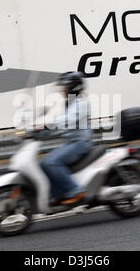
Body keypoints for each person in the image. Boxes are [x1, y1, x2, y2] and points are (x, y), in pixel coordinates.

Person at [40, 71, 93, 205]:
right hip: (71, 143)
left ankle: (76, 190)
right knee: (43, 162)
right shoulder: (71, 103)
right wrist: (40, 132)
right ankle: (59, 195)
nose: (62, 91)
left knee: (51, 162)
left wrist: (48, 124)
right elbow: (61, 124)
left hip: (80, 143)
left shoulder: (81, 103)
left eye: (65, 88)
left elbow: (69, 119)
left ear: (73, 88)